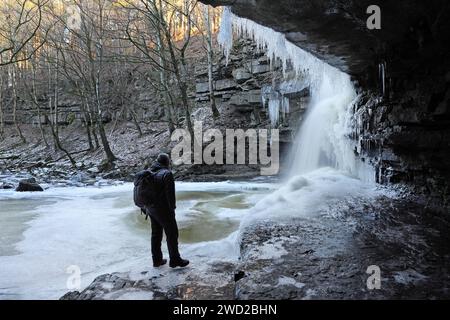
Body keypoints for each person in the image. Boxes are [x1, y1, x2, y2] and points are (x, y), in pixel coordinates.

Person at [146, 153, 189, 268]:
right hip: (163, 210)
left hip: (150, 209)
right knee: (172, 234)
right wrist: (172, 209)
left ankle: (157, 260)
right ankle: (175, 260)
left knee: (156, 234)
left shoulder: (150, 172)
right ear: (167, 162)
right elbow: (170, 195)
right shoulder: (167, 174)